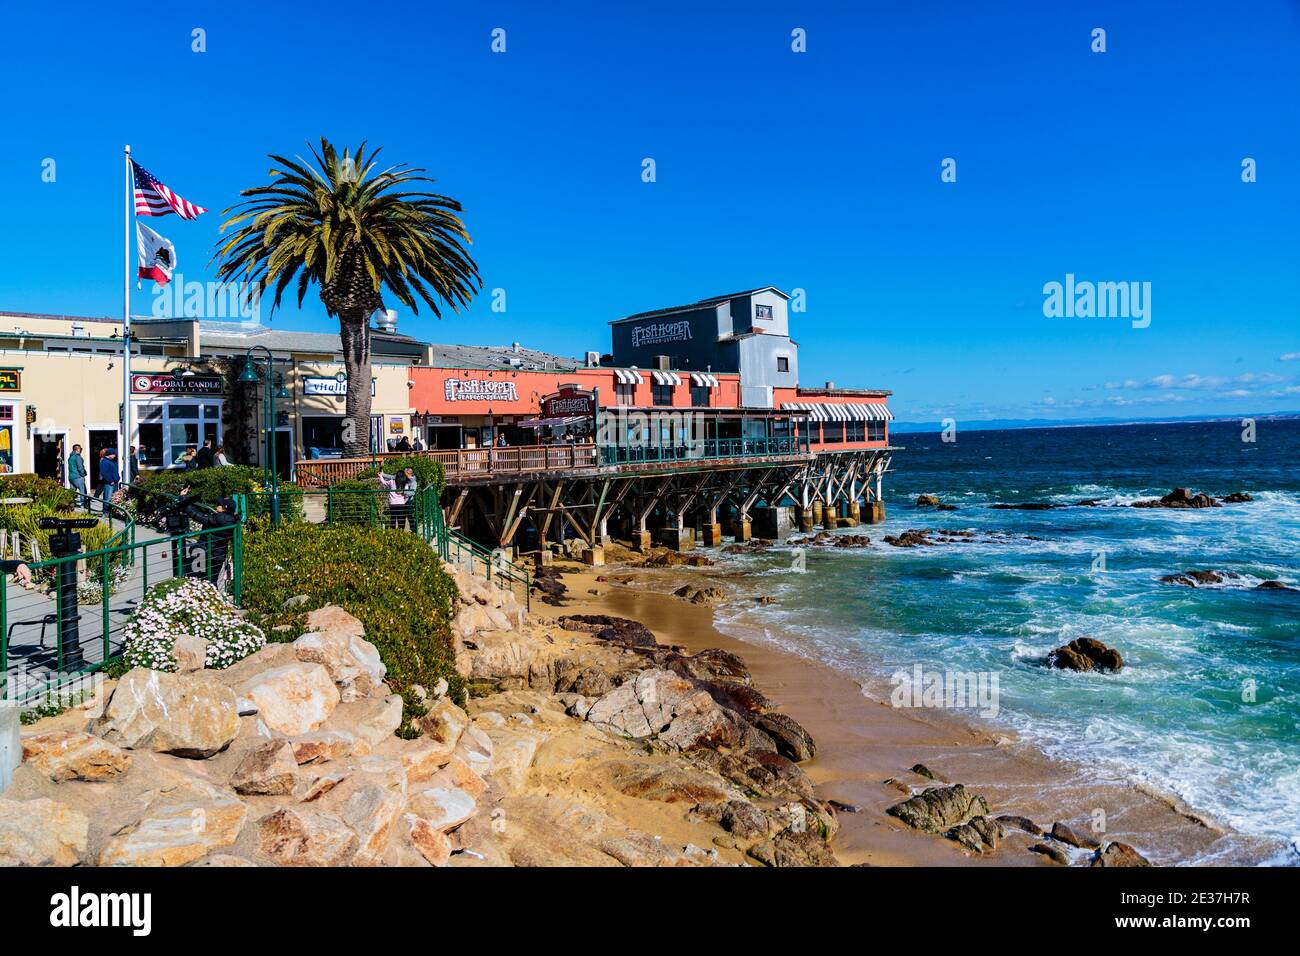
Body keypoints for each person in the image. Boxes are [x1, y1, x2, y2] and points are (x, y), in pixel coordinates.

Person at [180, 490, 239, 582]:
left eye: (219, 504)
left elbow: (195, 514)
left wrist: (183, 498)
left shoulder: (218, 519)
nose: (216, 505)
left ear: (224, 508)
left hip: (206, 552)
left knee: (199, 578)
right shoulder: (233, 519)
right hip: (219, 554)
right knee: (213, 580)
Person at [377, 467, 417, 531]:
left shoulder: (413, 482)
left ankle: (413, 530)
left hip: (407, 502)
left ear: (408, 473)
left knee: (409, 517)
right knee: (400, 518)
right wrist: (383, 474)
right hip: (402, 503)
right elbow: (392, 477)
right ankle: (399, 531)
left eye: (404, 473)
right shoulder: (403, 481)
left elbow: (412, 493)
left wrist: (402, 491)